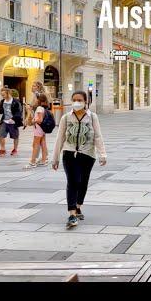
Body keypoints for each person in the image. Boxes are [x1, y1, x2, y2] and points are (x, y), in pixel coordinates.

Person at [52, 91, 107, 228]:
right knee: (73, 181)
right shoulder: (66, 117)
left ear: (86, 101)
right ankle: (72, 214)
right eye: (74, 100)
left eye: (80, 100)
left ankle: (78, 206)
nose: (77, 102)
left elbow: (98, 136)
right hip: (69, 153)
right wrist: (55, 158)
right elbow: (60, 138)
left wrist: (102, 154)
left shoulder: (92, 117)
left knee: (83, 182)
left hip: (88, 154)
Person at [25, 93, 52, 169]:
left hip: (38, 128)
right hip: (42, 129)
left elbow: (39, 120)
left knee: (35, 144)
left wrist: (32, 121)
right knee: (43, 143)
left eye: (35, 99)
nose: (34, 100)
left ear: (39, 100)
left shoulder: (39, 108)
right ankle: (44, 160)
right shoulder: (43, 108)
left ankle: (32, 162)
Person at [0, 87, 23, 157]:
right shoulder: (2, 101)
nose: (2, 96)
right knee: (0, 134)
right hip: (4, 121)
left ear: (8, 93)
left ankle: (15, 149)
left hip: (13, 122)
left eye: (4, 95)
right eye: (2, 95)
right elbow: (2, 111)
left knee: (15, 136)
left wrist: (13, 119)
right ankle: (3, 149)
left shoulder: (16, 101)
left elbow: (19, 112)